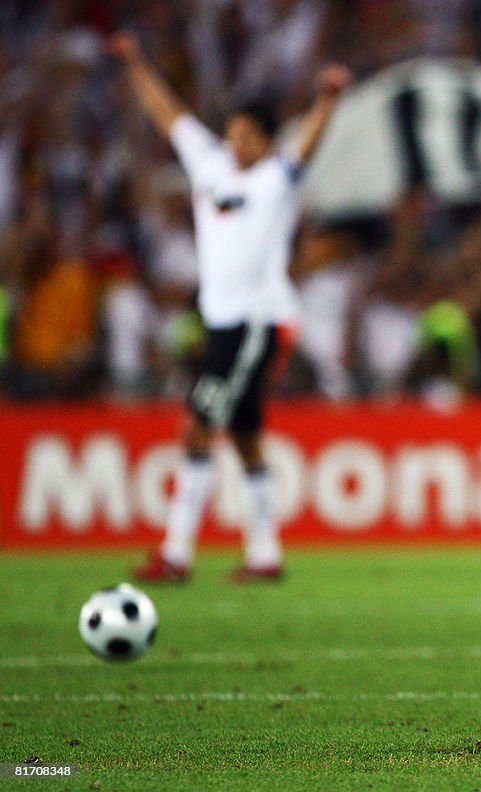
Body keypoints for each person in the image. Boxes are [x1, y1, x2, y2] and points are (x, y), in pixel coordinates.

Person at [109, 32, 352, 582]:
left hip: (257, 323)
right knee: (243, 437)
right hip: (223, 323)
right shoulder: (209, 164)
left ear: (267, 140)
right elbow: (168, 114)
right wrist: (135, 63)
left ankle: (175, 553)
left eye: (247, 136)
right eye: (232, 134)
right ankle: (265, 555)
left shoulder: (276, 181)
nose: (237, 144)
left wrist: (328, 101)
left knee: (196, 427)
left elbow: (306, 145)